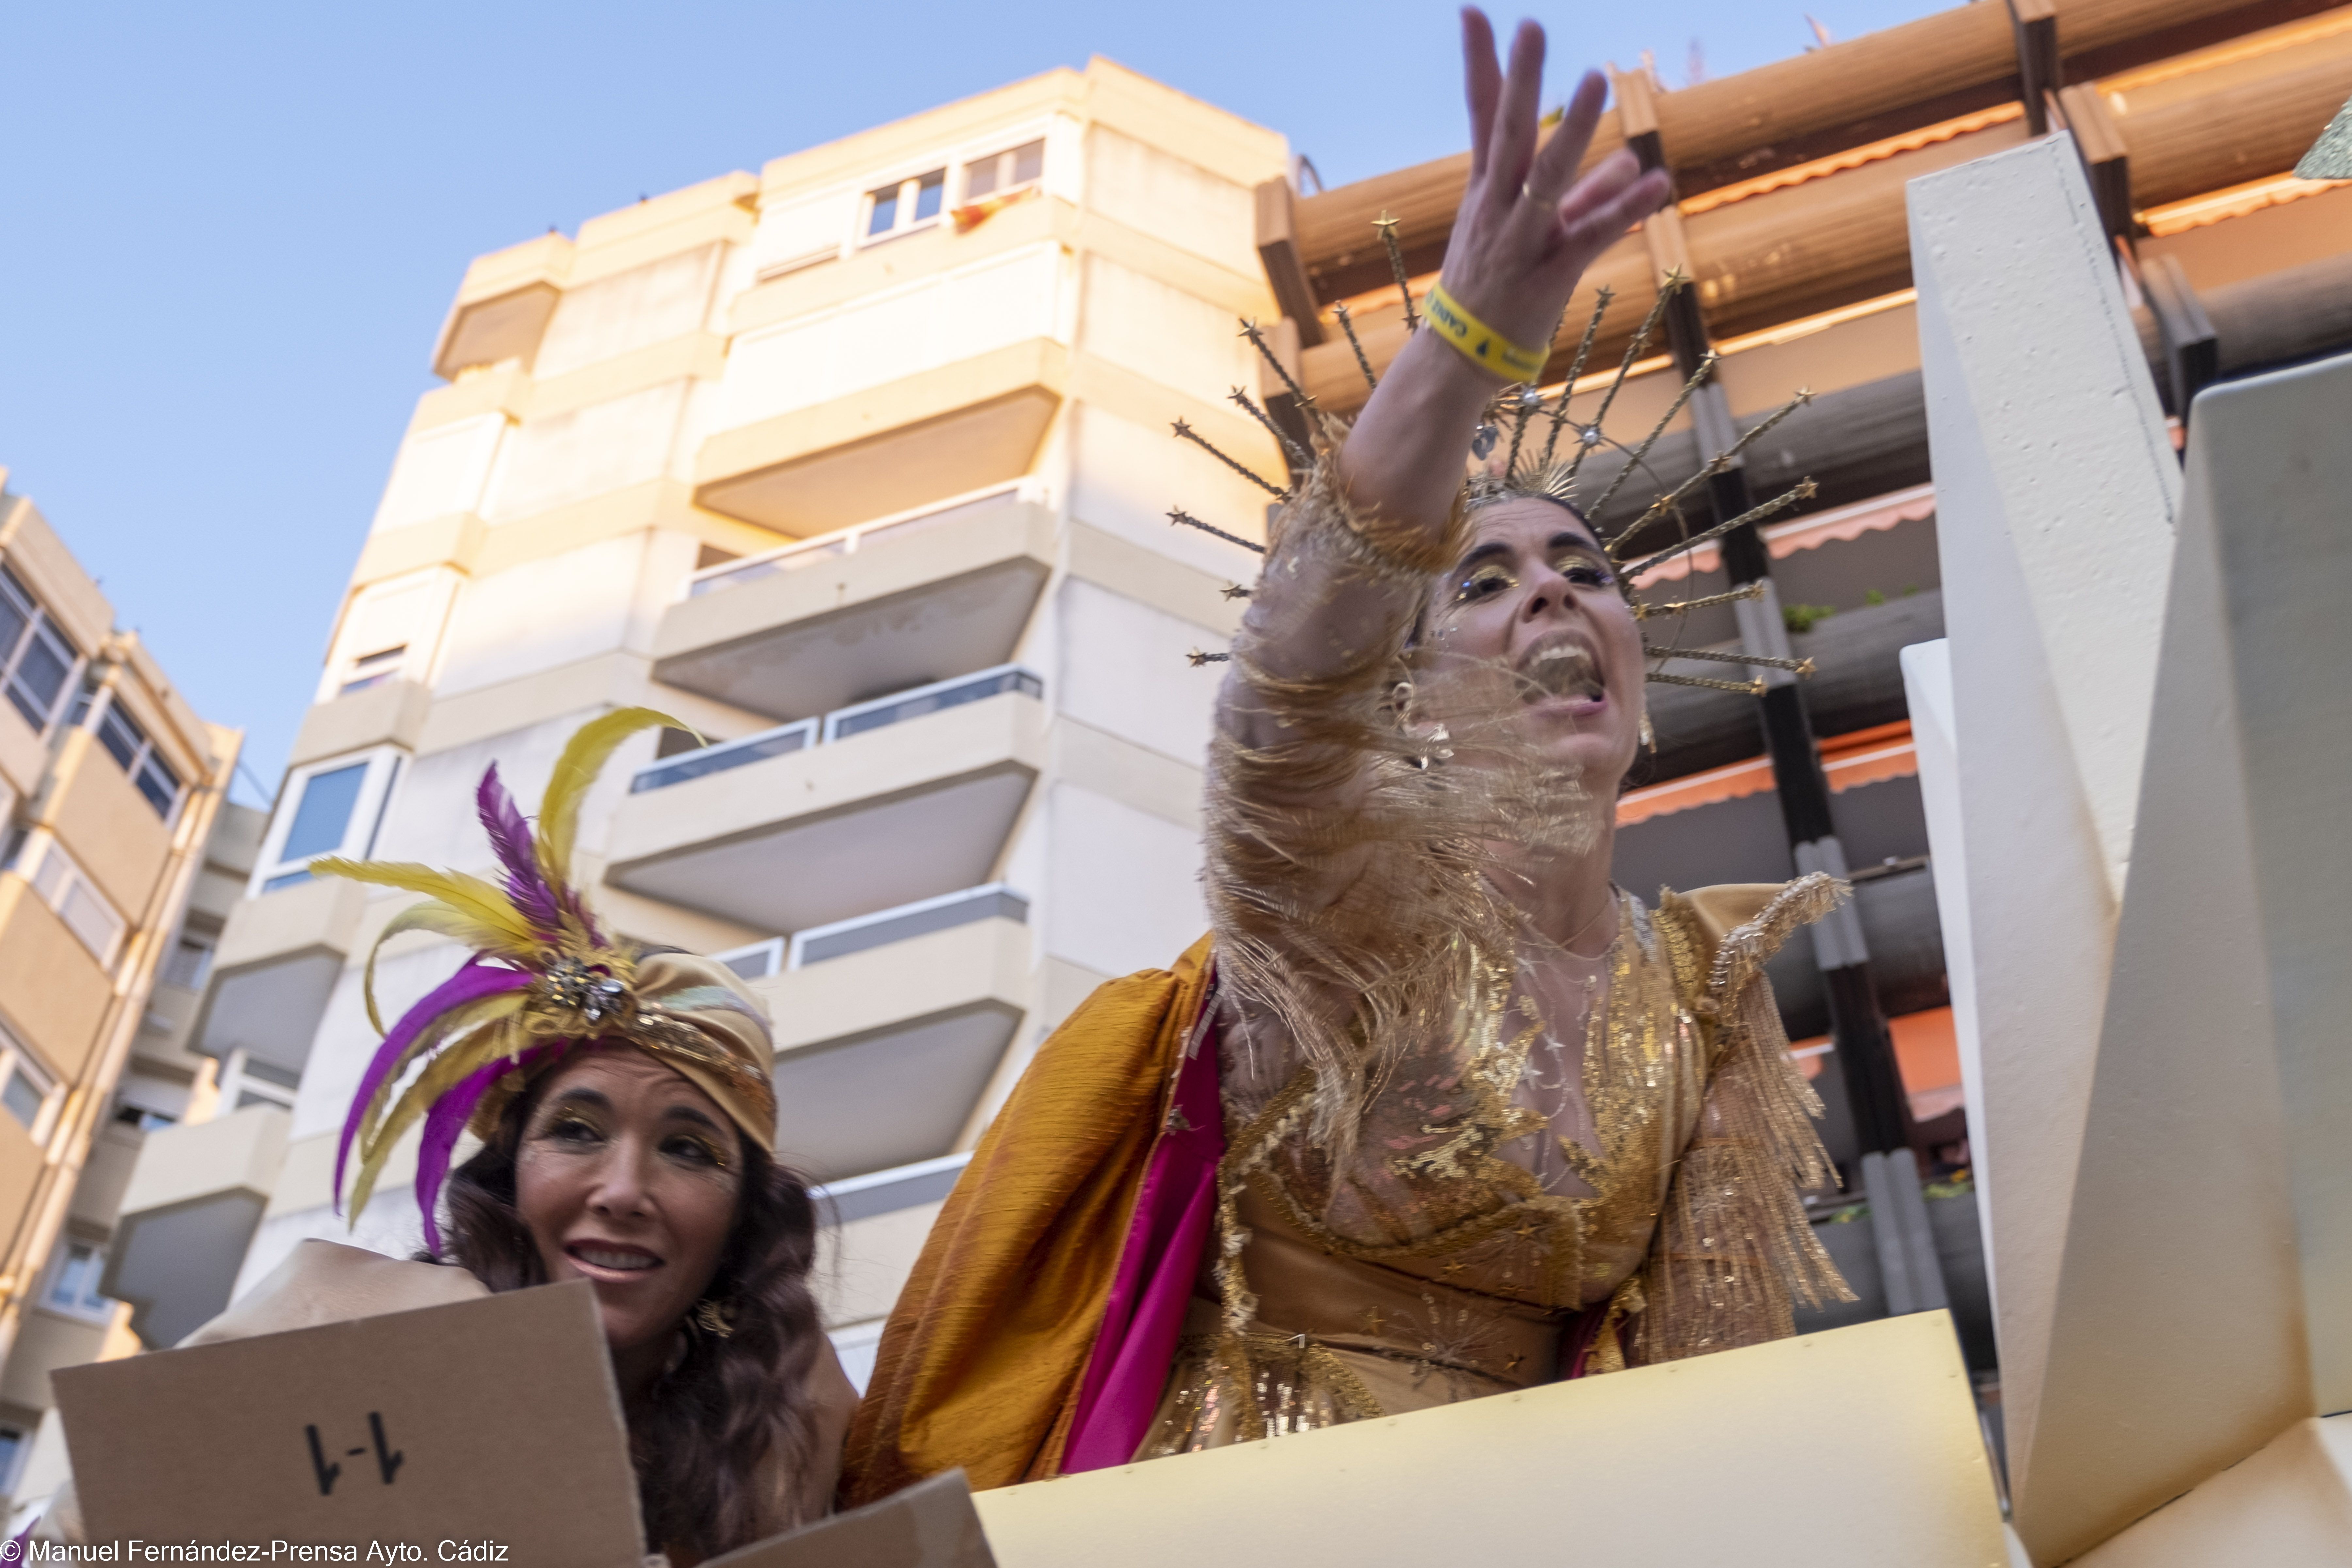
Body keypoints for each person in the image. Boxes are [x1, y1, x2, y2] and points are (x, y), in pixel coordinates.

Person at [842, 10, 1850, 1502]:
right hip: (1248, 1511)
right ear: (1407, 701)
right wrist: (1470, 346)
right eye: (1485, 582)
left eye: (1584, 568)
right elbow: (1285, 708)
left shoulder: (1699, 991)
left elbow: (1711, 1393)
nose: (1556, 591)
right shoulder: (1342, 903)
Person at [30, 710, 854, 1567]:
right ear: (509, 1178)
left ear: (742, 1222)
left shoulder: (786, 1434)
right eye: (576, 1131)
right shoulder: (342, 1335)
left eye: (690, 1150)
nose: (621, 1189)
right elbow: (74, 1546)